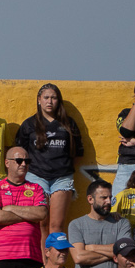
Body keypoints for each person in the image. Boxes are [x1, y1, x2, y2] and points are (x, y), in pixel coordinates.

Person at [16, 83, 85, 235]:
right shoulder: (29, 124)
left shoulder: (68, 123)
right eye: (46, 97)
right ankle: (42, 260)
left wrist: (63, 167)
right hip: (36, 176)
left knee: (56, 226)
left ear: (58, 101)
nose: (49, 101)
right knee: (41, 225)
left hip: (62, 178)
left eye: (54, 98)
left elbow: (77, 152)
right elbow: (20, 152)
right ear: (39, 100)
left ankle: (53, 259)